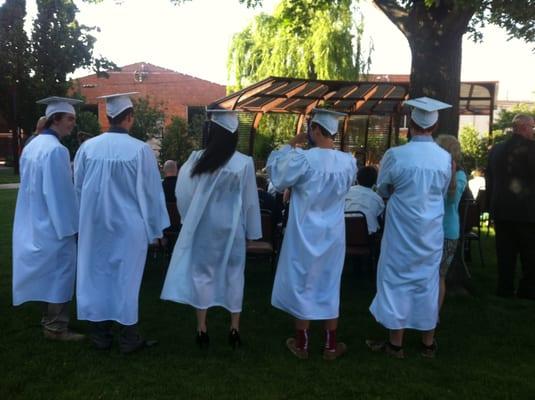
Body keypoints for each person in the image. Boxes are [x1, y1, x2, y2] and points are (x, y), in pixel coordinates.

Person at [74, 92, 170, 353]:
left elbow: (79, 189)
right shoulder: (140, 150)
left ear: (107, 117)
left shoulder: (87, 148)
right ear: (129, 118)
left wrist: (80, 223)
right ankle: (128, 338)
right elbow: (151, 193)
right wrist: (157, 229)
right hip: (129, 228)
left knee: (96, 277)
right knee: (126, 280)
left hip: (95, 226)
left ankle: (100, 335)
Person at [161, 109, 261, 349]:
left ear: (212, 132)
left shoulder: (196, 159)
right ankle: (234, 328)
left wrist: (189, 218)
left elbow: (182, 193)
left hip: (204, 227)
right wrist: (252, 232)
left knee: (202, 275)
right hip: (232, 228)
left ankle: (202, 328)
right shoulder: (244, 163)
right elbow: (250, 201)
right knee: (235, 275)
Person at [267, 108, 356, 361]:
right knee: (330, 282)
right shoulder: (348, 162)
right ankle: (330, 345)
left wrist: (289, 146)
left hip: (304, 230)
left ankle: (302, 343)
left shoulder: (303, 159)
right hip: (333, 232)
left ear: (315, 130)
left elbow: (278, 177)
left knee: (303, 281)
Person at [367, 97, 452, 359]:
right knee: (427, 282)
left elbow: (382, 188)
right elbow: (442, 189)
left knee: (396, 280)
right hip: (431, 229)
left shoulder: (396, 155)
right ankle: (428, 342)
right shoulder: (444, 157)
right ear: (434, 126)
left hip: (402, 228)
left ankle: (396, 343)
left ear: (410, 124)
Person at [12, 97, 84, 341]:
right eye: (69, 119)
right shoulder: (56, 150)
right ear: (56, 119)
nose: (72, 124)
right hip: (54, 223)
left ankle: (50, 320)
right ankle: (56, 327)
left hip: (34, 217)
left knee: (47, 273)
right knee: (60, 274)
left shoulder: (32, 146)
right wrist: (72, 227)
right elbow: (60, 193)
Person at [487, 114, 535, 300]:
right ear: (522, 127)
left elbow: (490, 179)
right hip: (528, 211)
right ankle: (528, 290)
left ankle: (505, 288)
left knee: (504, 252)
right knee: (530, 255)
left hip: (501, 209)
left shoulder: (496, 150)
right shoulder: (532, 149)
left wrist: (490, 206)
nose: (533, 131)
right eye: (532, 127)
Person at [435, 134, 467, 311]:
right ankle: (432, 316)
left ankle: (431, 314)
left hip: (438, 230)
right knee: (439, 276)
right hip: (449, 230)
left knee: (436, 276)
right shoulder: (461, 176)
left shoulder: (455, 176)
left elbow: (450, 200)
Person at [344, 165, 385, 234]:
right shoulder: (378, 199)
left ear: (357, 178)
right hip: (367, 235)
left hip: (345, 232)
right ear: (375, 182)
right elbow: (380, 215)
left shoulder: (346, 192)